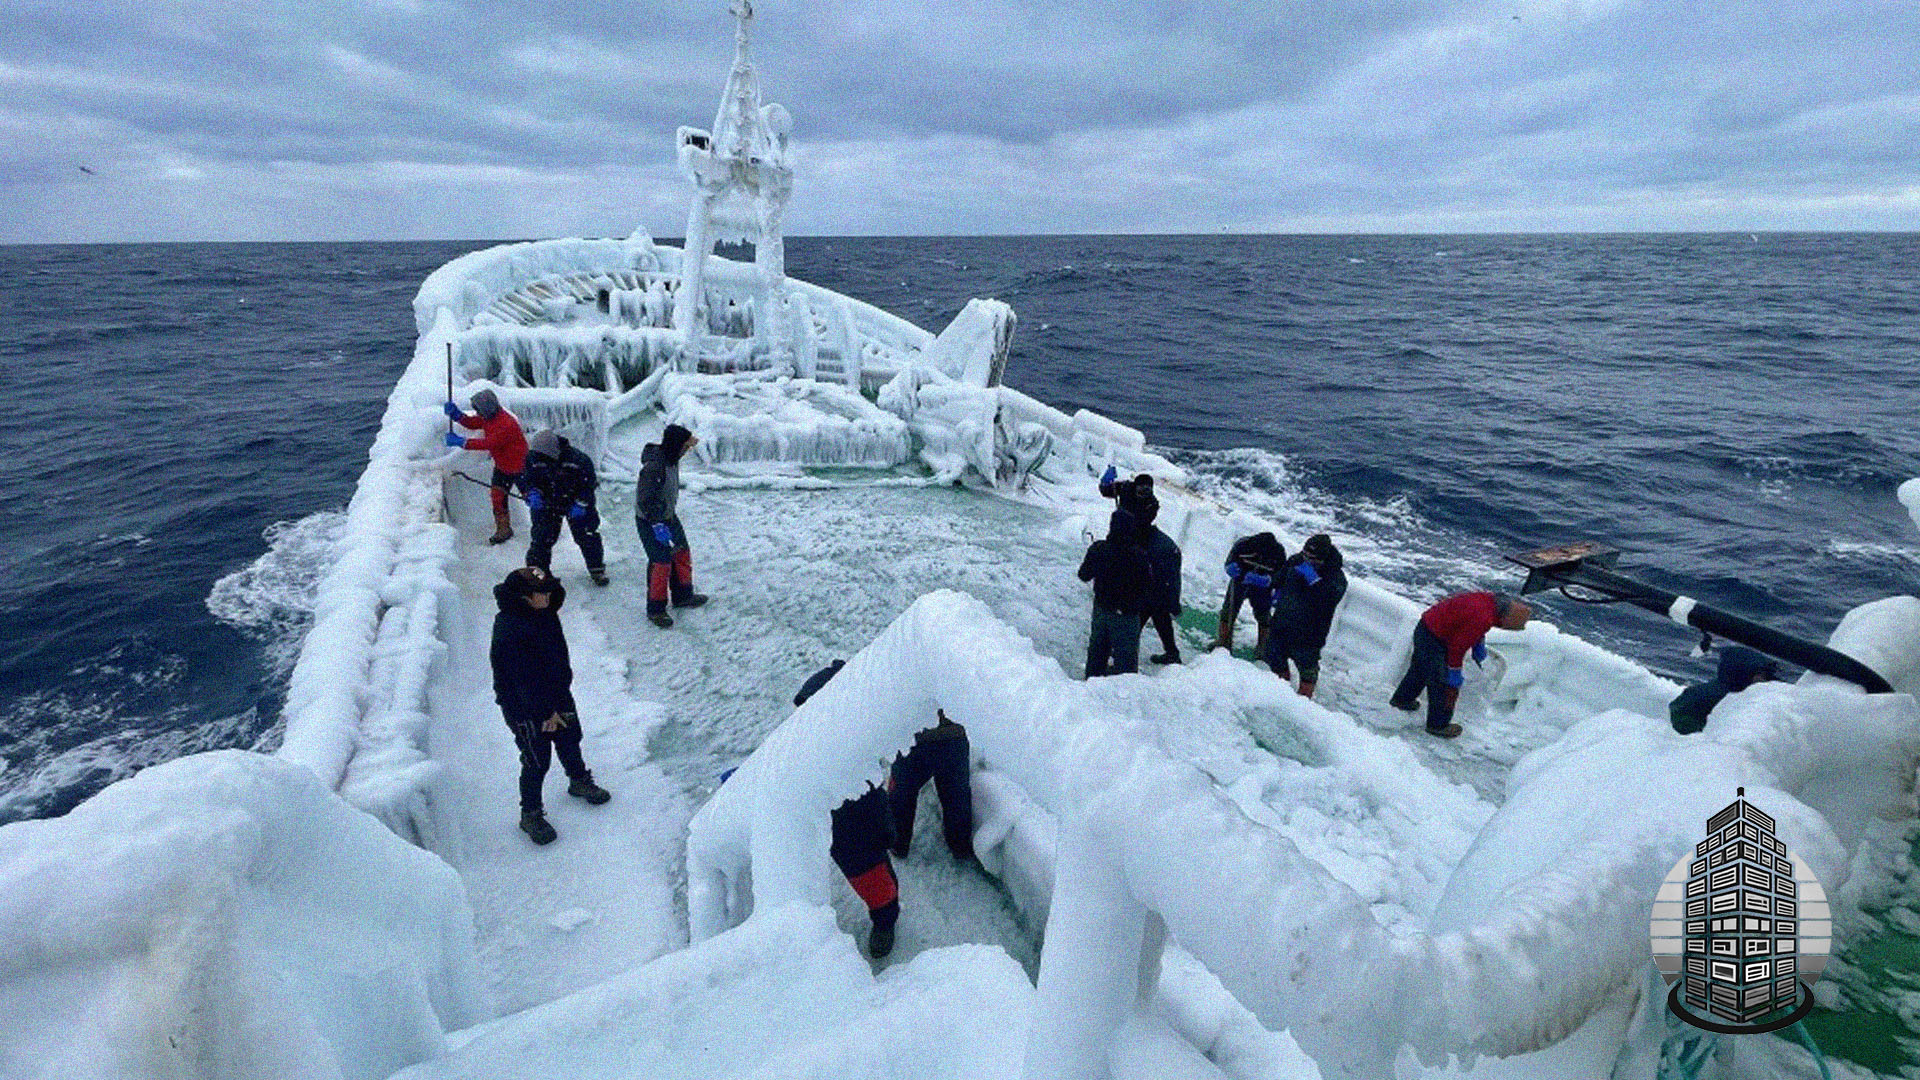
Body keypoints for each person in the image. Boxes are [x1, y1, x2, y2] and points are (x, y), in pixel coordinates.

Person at [489, 566, 610, 845]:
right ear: (525, 598)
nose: (549, 595)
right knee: (536, 758)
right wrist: (546, 714)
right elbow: (521, 681)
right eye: (542, 592)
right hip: (524, 707)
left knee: (569, 739)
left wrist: (559, 700)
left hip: (556, 694)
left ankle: (579, 780)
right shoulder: (510, 630)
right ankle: (530, 813)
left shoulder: (544, 614)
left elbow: (556, 655)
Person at [795, 660, 899, 959]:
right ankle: (885, 915)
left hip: (861, 842)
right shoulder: (804, 747)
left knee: (879, 889)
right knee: (868, 881)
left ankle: (885, 922)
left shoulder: (857, 760)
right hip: (839, 841)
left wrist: (886, 833)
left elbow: (876, 803)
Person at [1390, 591, 1531, 738]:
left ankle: (1402, 700)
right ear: (1505, 618)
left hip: (1426, 627)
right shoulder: (1484, 617)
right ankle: (1438, 725)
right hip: (1436, 637)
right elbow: (1457, 648)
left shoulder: (1490, 601)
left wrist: (1478, 643)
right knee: (1442, 684)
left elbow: (1469, 622)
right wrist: (1454, 672)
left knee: (1421, 669)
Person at [634, 423, 707, 628]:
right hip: (650, 520)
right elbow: (646, 499)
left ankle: (683, 595)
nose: (687, 450)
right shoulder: (654, 467)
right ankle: (656, 609)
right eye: (685, 446)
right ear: (676, 445)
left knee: (681, 552)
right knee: (661, 562)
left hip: (668, 516)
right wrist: (657, 525)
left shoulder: (672, 460)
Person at [521, 429, 608, 586]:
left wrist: (581, 503)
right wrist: (531, 493)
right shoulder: (533, 458)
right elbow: (526, 479)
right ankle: (538, 575)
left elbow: (589, 484)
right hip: (547, 504)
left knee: (587, 535)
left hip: (575, 503)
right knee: (541, 538)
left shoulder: (579, 460)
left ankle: (597, 570)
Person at [1077, 508, 1157, 677]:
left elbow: (1083, 575)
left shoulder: (1099, 549)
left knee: (1097, 655)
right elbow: (1149, 586)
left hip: (1102, 610)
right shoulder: (1140, 556)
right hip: (1127, 616)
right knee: (1126, 663)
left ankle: (1090, 687)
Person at [1267, 534, 1348, 698]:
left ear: (1322, 559)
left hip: (1309, 634)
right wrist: (1273, 587)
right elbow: (1278, 579)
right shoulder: (1296, 561)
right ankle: (1280, 693)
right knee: (1274, 657)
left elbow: (1328, 601)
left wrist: (1315, 582)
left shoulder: (1336, 578)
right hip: (1282, 624)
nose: (1306, 560)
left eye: (1312, 558)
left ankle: (1304, 700)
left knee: (1307, 670)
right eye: (1305, 555)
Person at [444, 388, 528, 545]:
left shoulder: (506, 424)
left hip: (521, 468)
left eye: (478, 409)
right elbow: (474, 423)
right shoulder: (489, 417)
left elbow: (489, 443)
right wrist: (457, 416)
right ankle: (503, 530)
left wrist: (462, 442)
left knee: (531, 497)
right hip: (503, 467)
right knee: (498, 497)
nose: (478, 413)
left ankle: (544, 525)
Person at [889, 711, 975, 863]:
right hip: (952, 737)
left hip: (914, 739)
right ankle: (960, 846)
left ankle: (897, 843)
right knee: (956, 798)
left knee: (901, 795)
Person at [1669, 646, 1779, 735]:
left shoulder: (1728, 687)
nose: (1764, 680)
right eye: (1760, 675)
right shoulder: (1722, 696)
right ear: (1744, 674)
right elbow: (1680, 716)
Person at [1212, 532, 1286, 654]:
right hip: (1239, 582)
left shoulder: (1278, 552)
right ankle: (1224, 642)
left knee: (1263, 616)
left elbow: (1281, 575)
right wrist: (1234, 570)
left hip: (1262, 588)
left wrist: (1270, 582)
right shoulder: (1243, 544)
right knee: (1228, 611)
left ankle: (1263, 648)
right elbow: (1230, 561)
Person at [1136, 496, 1185, 665]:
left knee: (1138, 619)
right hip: (1160, 587)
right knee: (1161, 619)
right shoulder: (1162, 542)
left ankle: (1123, 657)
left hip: (1155, 587)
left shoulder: (1158, 546)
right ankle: (1172, 654)